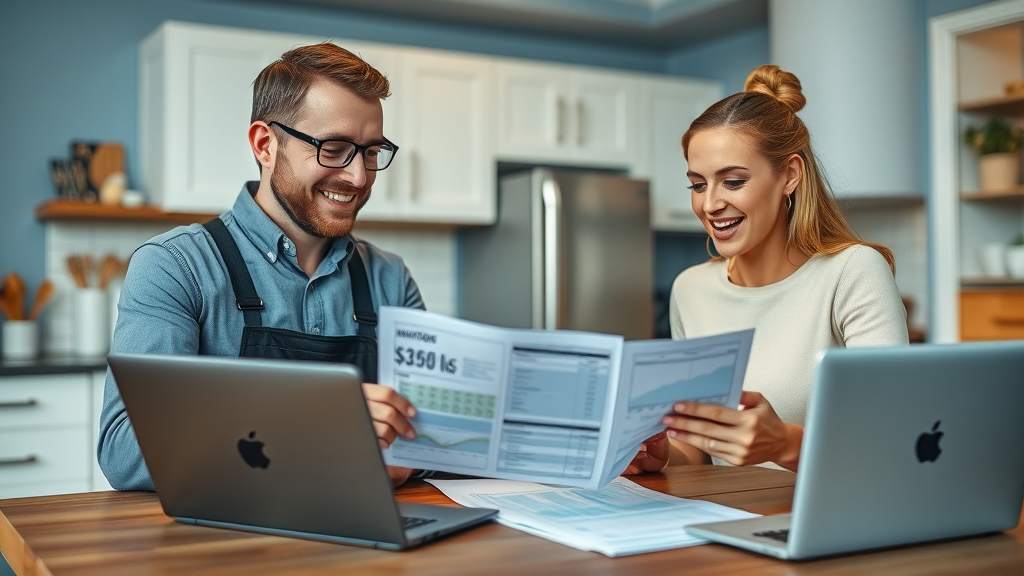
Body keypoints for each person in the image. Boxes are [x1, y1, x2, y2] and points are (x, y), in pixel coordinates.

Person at [98, 42, 424, 491]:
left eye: (371, 152)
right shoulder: (175, 267)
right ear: (265, 144)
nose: (359, 177)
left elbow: (428, 429)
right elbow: (125, 450)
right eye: (334, 148)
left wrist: (412, 456)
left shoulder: (391, 279)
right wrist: (322, 422)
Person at [625, 64, 909, 475]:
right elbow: (700, 445)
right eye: (698, 184)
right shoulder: (690, 289)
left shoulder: (852, 272)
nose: (709, 205)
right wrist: (663, 454)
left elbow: (891, 444)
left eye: (733, 181)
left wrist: (784, 443)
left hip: (830, 518)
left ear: (789, 175)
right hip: (726, 518)